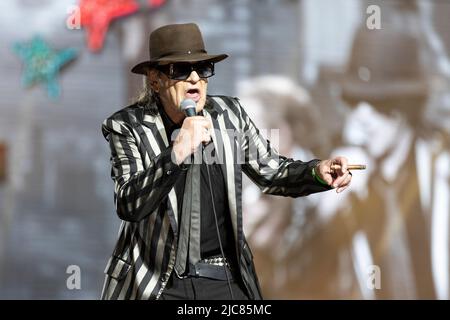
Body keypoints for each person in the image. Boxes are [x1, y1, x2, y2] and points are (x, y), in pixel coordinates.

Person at [100, 23, 352, 300]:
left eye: (203, 68)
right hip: (161, 281)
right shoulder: (128, 126)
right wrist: (176, 154)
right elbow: (129, 203)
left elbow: (272, 172)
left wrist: (316, 172)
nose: (195, 78)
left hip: (225, 277)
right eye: (181, 70)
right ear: (155, 80)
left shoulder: (229, 115)